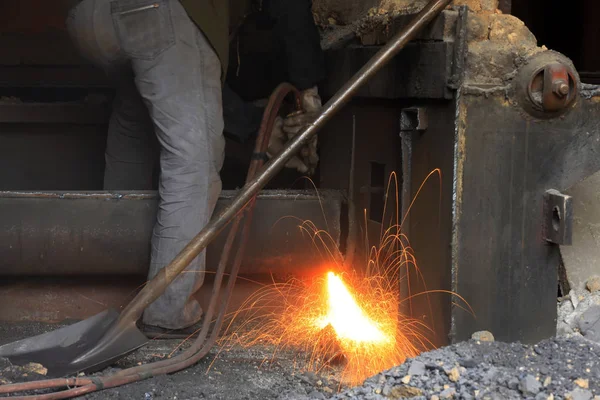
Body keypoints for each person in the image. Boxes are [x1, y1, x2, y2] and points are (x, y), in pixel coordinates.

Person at [65, 0, 324, 334]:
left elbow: (186, 84)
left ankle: (111, 283)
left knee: (137, 127)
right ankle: (167, 311)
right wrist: (309, 86)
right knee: (194, 165)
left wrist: (251, 125)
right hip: (157, 9)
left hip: (89, 18)